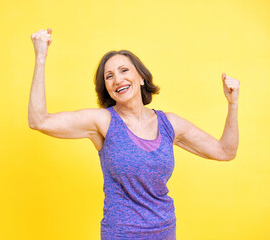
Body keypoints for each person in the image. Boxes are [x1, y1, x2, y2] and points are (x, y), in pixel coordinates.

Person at [28, 28, 240, 240]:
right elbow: (39, 120)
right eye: (109, 76)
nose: (117, 79)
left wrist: (233, 104)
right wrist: (40, 58)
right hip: (122, 234)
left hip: (165, 231)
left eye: (124, 71)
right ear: (106, 87)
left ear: (140, 77)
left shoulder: (169, 124)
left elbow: (225, 151)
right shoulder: (103, 122)